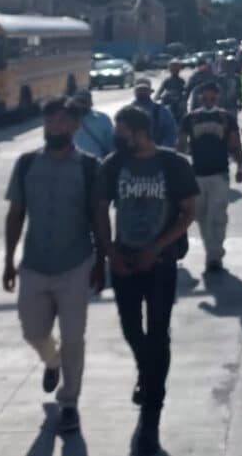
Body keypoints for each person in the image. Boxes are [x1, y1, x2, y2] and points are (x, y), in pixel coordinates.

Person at [94, 106, 199, 456]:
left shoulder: (174, 165)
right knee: (130, 329)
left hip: (160, 263)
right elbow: (100, 209)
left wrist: (156, 248)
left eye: (123, 133)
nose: (118, 139)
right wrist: (109, 252)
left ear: (141, 132)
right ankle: (147, 370)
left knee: (158, 333)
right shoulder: (113, 164)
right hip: (124, 260)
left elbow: (189, 213)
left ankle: (150, 419)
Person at [3, 97, 104, 434]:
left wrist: (101, 260)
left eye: (62, 121)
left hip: (75, 264)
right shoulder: (27, 164)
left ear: (75, 126)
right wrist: (7, 259)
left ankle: (70, 403)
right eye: (50, 121)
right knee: (33, 331)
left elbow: (99, 218)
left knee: (74, 337)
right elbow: (15, 214)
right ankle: (51, 361)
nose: (55, 127)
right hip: (34, 264)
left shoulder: (90, 167)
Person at [177, 81, 242, 273]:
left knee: (217, 216)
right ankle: (213, 250)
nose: (209, 100)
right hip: (196, 174)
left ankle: (213, 255)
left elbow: (235, 143)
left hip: (219, 174)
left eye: (212, 96)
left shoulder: (226, 118)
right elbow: (181, 145)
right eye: (205, 96)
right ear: (200, 97)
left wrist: (240, 166)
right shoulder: (190, 119)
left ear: (218, 97)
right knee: (201, 216)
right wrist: (177, 170)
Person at [130, 78, 177, 148]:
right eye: (139, 90)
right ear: (135, 92)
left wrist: (161, 151)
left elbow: (170, 134)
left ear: (150, 91)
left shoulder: (162, 111)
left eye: (144, 90)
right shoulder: (127, 112)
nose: (142, 92)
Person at [71, 90, 115, 158]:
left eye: (83, 101)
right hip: (74, 164)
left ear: (91, 103)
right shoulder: (68, 121)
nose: (80, 105)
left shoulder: (102, 119)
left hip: (96, 164)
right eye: (77, 101)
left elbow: (111, 145)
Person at [155, 60, 187, 124]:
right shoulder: (167, 80)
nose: (174, 70)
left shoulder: (181, 80)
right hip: (168, 100)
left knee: (183, 111)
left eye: (176, 69)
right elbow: (160, 90)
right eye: (173, 68)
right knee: (161, 110)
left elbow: (185, 90)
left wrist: (183, 97)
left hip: (178, 101)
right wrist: (157, 97)